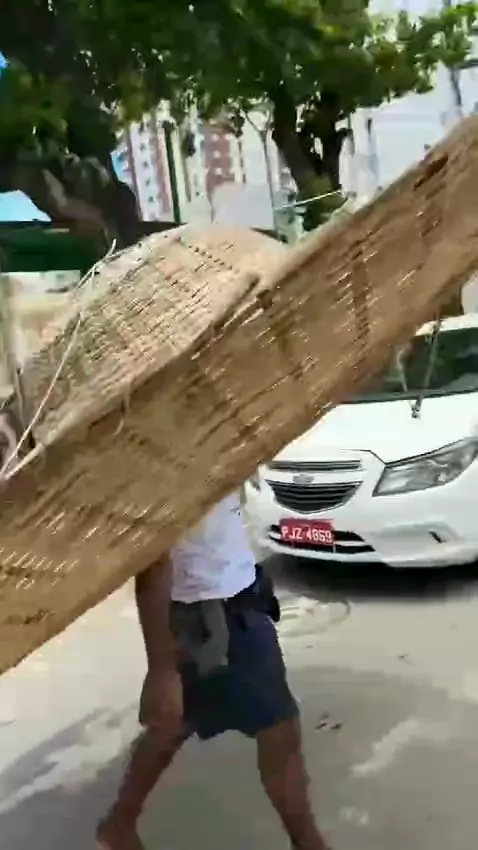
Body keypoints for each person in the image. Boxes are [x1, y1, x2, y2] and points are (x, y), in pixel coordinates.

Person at [97, 491, 330, 850]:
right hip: (213, 616)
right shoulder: (173, 473)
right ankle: (308, 844)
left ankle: (119, 823)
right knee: (278, 729)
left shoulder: (210, 462)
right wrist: (161, 670)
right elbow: (153, 563)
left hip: (231, 602)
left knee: (175, 723)